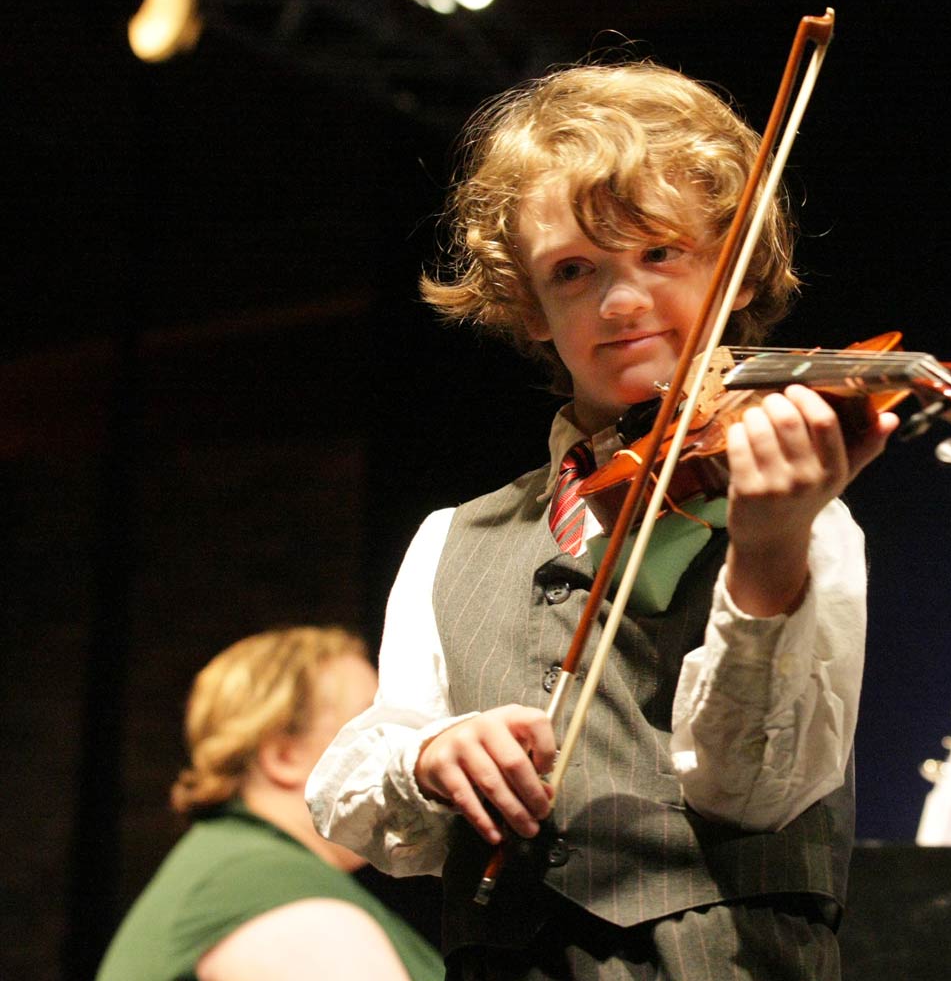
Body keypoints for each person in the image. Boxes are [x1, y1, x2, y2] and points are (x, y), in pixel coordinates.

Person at [307, 60, 898, 979]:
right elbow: (356, 804)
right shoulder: (452, 540)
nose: (622, 304)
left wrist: (769, 553)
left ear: (735, 271)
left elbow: (759, 789)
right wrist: (430, 754)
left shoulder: (796, 513)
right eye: (575, 271)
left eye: (661, 254)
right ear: (529, 307)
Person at [96, 626, 444, 981]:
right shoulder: (259, 882)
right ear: (283, 755)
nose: (406, 750)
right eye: (370, 730)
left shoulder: (234, 865)